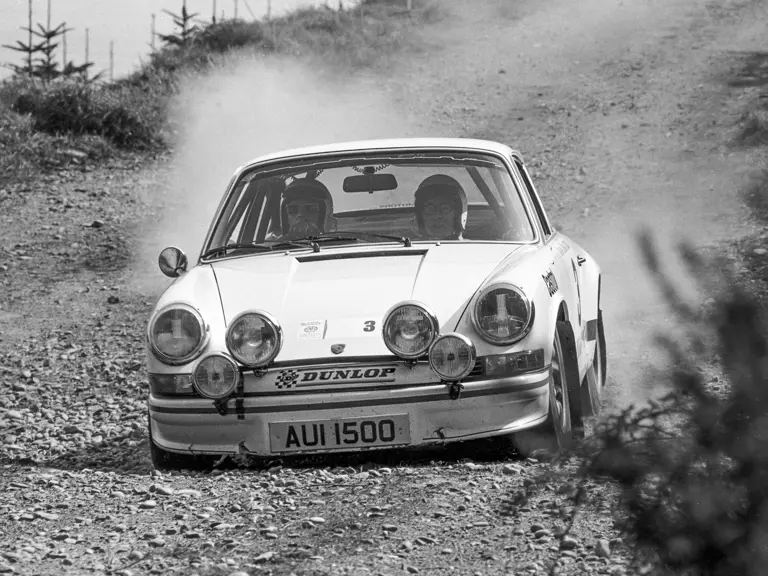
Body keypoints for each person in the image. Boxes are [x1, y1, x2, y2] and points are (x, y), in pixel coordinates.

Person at [413, 174, 468, 240]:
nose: (437, 215)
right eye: (430, 209)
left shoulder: (475, 249)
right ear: (420, 216)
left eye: (445, 208)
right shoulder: (405, 247)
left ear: (458, 214)